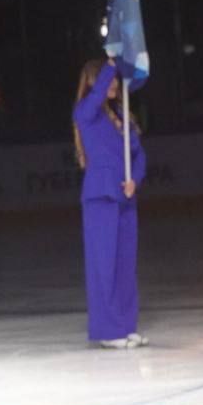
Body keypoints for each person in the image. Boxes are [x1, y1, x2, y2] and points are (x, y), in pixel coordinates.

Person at [73, 57, 148, 349]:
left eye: (116, 79)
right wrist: (112, 65)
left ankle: (126, 325)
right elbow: (95, 98)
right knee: (104, 265)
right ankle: (107, 329)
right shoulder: (85, 111)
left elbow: (139, 155)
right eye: (109, 79)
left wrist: (135, 180)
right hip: (101, 197)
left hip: (125, 198)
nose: (115, 83)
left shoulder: (122, 116)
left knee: (125, 265)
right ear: (95, 81)